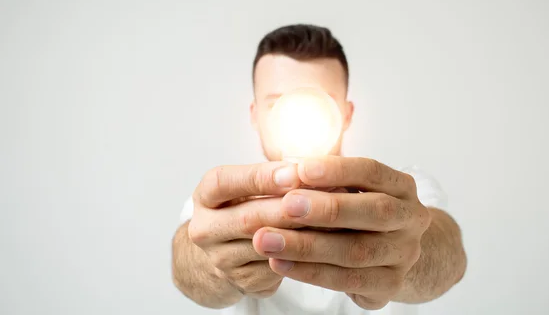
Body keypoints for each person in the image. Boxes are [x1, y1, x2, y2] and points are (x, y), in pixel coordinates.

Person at [171, 24, 467, 314]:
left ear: (346, 114)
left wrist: (407, 252)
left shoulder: (404, 190)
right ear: (255, 115)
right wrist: (217, 265)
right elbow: (188, 264)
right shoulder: (223, 204)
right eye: (277, 104)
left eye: (320, 101)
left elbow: (448, 256)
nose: (297, 114)